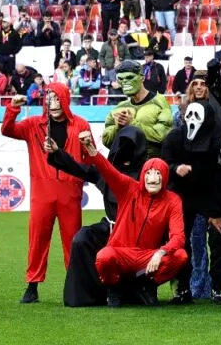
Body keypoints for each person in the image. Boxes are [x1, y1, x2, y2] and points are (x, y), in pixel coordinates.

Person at [0, 83, 90, 304]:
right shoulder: (33, 124)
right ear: (45, 102)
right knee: (38, 238)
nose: (54, 103)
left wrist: (84, 158)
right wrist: (12, 108)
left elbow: (89, 158)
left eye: (58, 98)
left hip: (70, 191)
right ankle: (32, 286)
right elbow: (7, 130)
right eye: (50, 99)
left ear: (66, 100)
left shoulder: (80, 124)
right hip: (42, 191)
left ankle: (75, 285)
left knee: (73, 240)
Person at [77, 130, 189, 306]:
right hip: (121, 252)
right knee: (104, 256)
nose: (153, 178)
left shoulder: (173, 200)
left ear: (165, 177)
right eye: (149, 173)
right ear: (143, 176)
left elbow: (178, 237)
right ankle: (114, 288)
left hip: (148, 255)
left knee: (180, 256)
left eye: (158, 174)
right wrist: (91, 149)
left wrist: (161, 252)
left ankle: (147, 285)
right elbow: (108, 171)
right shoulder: (129, 188)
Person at [48, 125, 148, 307]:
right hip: (111, 227)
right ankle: (89, 295)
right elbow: (79, 168)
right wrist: (57, 152)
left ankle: (136, 291)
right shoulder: (107, 172)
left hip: (139, 235)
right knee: (82, 239)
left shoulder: (148, 176)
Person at [160, 93, 221, 304]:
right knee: (179, 241)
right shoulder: (174, 137)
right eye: (188, 114)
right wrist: (175, 168)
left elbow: (219, 175)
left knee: (218, 239)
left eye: (196, 115)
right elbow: (163, 165)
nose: (191, 119)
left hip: (211, 195)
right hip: (181, 196)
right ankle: (183, 288)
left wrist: (215, 212)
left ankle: (217, 288)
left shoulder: (217, 139)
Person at [102, 60, 173, 160]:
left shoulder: (159, 101)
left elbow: (163, 136)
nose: (125, 82)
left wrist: (132, 123)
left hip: (150, 169)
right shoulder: (119, 108)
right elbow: (107, 141)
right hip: (125, 168)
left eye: (130, 77)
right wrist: (118, 127)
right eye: (120, 79)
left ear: (142, 78)